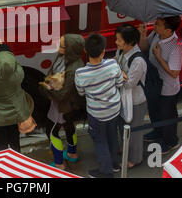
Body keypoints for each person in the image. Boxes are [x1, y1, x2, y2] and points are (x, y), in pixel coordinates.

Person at [75, 34, 123, 178]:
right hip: (114, 109)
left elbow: (81, 92)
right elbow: (120, 83)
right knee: (113, 135)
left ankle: (106, 171)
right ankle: (115, 164)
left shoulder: (80, 73)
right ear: (103, 51)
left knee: (100, 141)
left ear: (85, 50)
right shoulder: (112, 65)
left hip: (96, 114)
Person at [39, 34, 86, 170]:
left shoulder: (73, 69)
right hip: (68, 106)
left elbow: (61, 95)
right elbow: (50, 74)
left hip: (63, 106)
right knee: (69, 126)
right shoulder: (63, 57)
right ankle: (72, 154)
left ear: (71, 49)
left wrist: (45, 89)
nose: (59, 48)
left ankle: (59, 164)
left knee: (51, 131)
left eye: (62, 46)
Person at [138, 16, 182, 154]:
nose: (154, 26)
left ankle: (171, 141)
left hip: (167, 88)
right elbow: (144, 47)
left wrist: (158, 56)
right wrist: (142, 34)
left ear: (168, 30)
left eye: (158, 24)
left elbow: (174, 73)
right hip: (153, 83)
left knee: (167, 115)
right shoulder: (157, 34)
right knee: (154, 111)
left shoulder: (176, 47)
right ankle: (158, 131)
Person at [115, 24, 147, 169]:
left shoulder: (138, 61)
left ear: (130, 42)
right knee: (123, 127)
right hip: (123, 99)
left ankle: (135, 159)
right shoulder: (121, 52)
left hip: (136, 101)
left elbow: (129, 84)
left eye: (119, 40)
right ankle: (126, 149)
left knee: (135, 132)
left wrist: (118, 73)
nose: (116, 42)